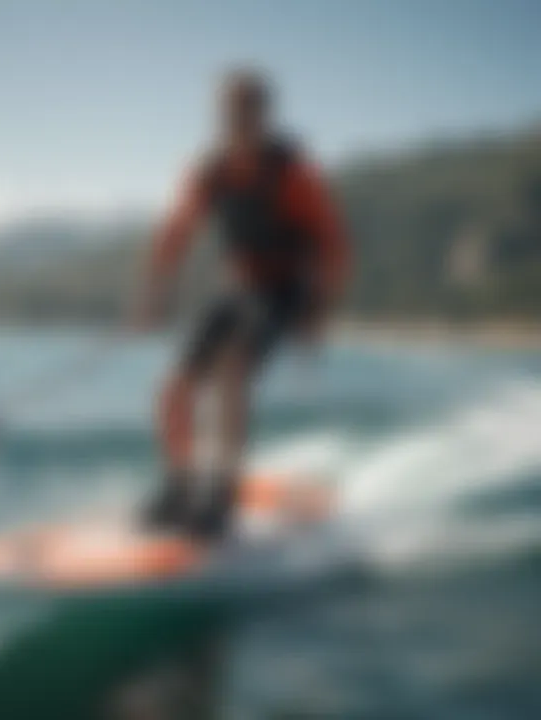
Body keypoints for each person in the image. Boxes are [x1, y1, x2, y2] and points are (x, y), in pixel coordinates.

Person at [134, 68, 350, 540]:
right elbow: (176, 231)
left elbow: (333, 245)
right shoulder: (208, 171)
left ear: (265, 115)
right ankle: (180, 484)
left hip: (285, 290)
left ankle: (223, 494)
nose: (238, 121)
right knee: (172, 384)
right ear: (219, 116)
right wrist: (154, 295)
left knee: (231, 368)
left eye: (248, 111)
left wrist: (318, 316)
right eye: (230, 112)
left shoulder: (293, 173)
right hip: (238, 289)